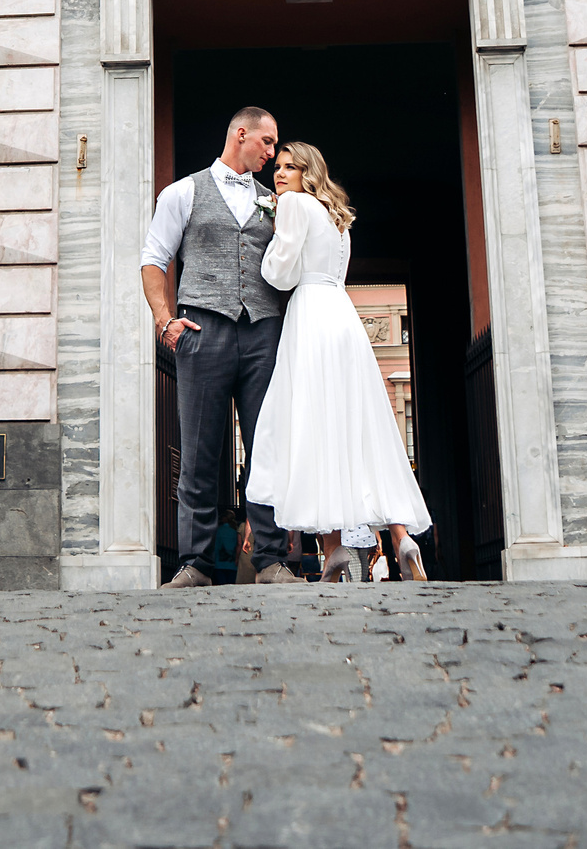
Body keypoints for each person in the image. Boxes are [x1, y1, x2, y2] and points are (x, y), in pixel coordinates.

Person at [245, 141, 433, 582]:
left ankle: (333, 548)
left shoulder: (293, 205)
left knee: (315, 423)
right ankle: (401, 537)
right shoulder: (336, 217)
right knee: (359, 425)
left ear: (308, 172)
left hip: (311, 315)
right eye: (278, 167)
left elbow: (280, 274)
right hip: (344, 316)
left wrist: (272, 238)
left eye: (290, 167)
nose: (279, 174)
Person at [142, 106, 305, 587]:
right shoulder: (184, 192)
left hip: (263, 331)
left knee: (266, 446)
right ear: (242, 134)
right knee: (198, 452)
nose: (272, 153)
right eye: (268, 142)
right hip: (203, 329)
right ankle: (195, 564)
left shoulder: (275, 201)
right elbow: (153, 259)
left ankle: (271, 560)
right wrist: (164, 321)